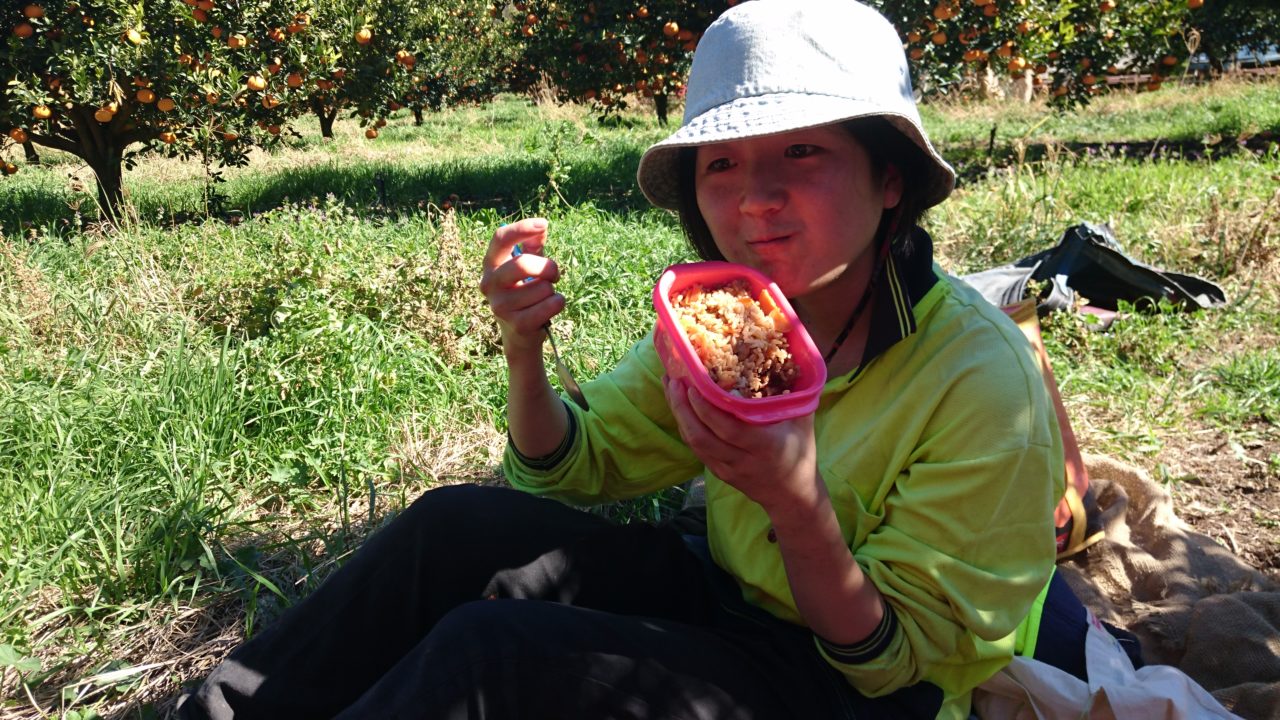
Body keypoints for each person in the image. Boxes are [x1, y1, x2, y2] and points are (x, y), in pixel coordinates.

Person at [179, 1, 1096, 718]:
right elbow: (568, 467)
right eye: (721, 164)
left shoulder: (979, 384)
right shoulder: (730, 325)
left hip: (858, 689)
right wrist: (525, 350)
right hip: (732, 595)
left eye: (803, 152)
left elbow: (889, 662)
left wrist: (795, 504)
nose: (756, 198)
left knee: (491, 658)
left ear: (889, 178)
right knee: (450, 528)